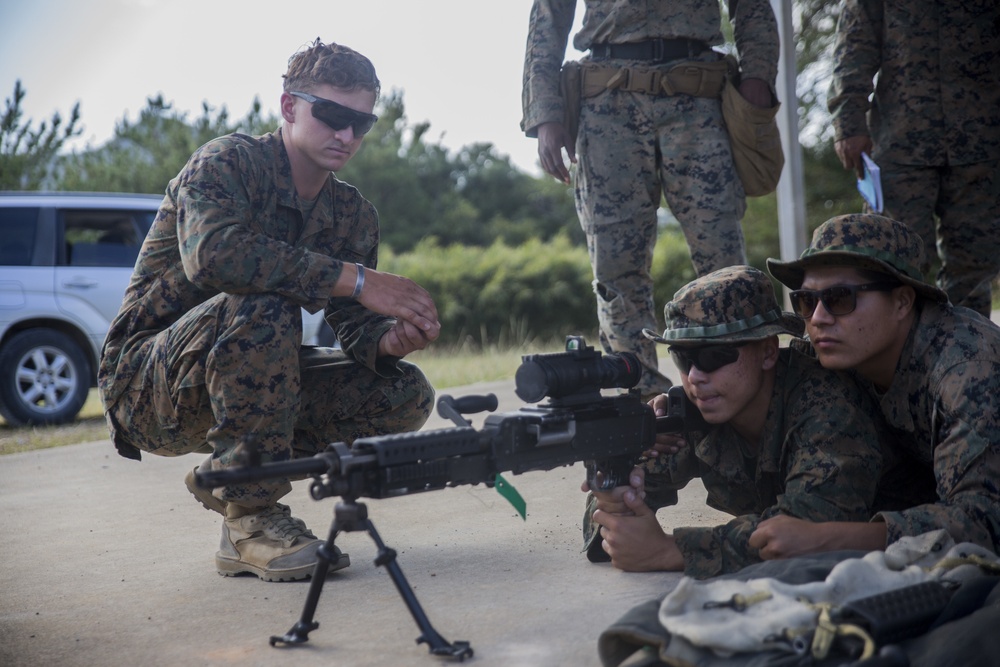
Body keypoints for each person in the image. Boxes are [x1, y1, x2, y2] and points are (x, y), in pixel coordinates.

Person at [98, 39, 442, 582]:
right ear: (288, 107)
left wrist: (385, 341)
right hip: (148, 386)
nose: (347, 136)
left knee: (405, 392)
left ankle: (226, 474)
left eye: (362, 123)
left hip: (240, 382)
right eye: (331, 115)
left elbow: (353, 324)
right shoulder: (228, 163)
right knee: (264, 302)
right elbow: (214, 257)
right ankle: (249, 523)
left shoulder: (352, 214)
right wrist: (353, 279)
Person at [520, 0, 779, 399]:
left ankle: (742, 398)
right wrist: (544, 111)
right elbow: (548, 16)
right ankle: (641, 410)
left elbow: (752, 6)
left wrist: (759, 74)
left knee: (722, 260)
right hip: (607, 102)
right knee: (616, 272)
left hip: (699, 97)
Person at [585, 265, 890, 579]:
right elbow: (613, 513)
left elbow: (812, 528)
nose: (694, 377)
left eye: (714, 356)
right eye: (683, 358)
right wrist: (615, 495)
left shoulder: (827, 404)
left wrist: (670, 550)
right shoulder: (696, 408)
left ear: (768, 351)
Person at [759, 213, 1000, 559]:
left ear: (902, 302)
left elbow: (985, 521)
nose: (817, 318)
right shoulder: (842, 347)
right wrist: (681, 414)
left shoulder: (967, 369)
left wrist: (826, 538)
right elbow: (763, 389)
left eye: (840, 298)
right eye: (806, 301)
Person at [827, 0, 1000, 317]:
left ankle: (968, 354)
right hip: (900, 143)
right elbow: (855, 42)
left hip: (980, 143)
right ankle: (899, 358)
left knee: (975, 265)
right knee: (893, 261)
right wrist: (848, 121)